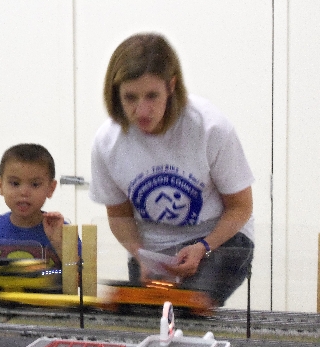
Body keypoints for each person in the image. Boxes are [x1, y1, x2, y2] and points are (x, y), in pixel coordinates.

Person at [89, 33, 254, 306]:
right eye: (130, 98)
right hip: (152, 249)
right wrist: (139, 254)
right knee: (146, 316)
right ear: (116, 95)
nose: (142, 110)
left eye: (152, 96)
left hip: (220, 239)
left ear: (171, 86)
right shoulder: (107, 142)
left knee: (186, 307)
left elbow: (240, 207)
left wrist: (203, 247)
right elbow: (119, 216)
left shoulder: (210, 127)